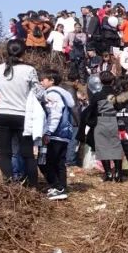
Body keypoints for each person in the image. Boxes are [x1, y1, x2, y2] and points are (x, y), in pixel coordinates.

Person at [0, 40, 42, 186]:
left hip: (1, 114)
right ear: (23, 52)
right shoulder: (29, 70)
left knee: (5, 154)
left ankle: (8, 185)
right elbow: (38, 93)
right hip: (22, 116)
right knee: (27, 154)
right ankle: (33, 186)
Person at [40, 69, 74, 200]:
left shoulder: (52, 94)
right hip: (64, 134)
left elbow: (55, 114)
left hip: (55, 133)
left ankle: (57, 186)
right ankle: (62, 187)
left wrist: (48, 131)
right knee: (59, 162)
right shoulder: (64, 94)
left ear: (52, 80)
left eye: (43, 79)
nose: (41, 82)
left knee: (44, 162)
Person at [92, 72, 124, 182]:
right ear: (112, 81)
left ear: (100, 81)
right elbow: (120, 107)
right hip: (114, 120)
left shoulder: (97, 95)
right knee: (116, 146)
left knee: (103, 147)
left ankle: (108, 173)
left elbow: (92, 109)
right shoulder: (116, 94)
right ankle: (119, 173)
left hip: (101, 120)